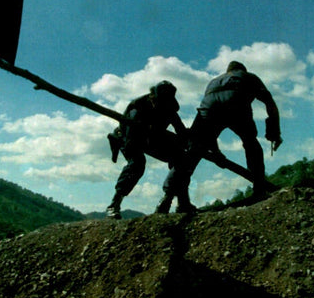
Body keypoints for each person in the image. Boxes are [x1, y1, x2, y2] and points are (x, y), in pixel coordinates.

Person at [158, 61, 282, 212]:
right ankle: (259, 189)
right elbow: (269, 102)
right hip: (235, 103)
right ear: (241, 70)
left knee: (193, 153)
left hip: (208, 110)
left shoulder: (213, 82)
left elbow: (211, 130)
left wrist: (216, 152)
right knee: (251, 144)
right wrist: (274, 133)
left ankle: (167, 198)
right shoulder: (248, 76)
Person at [105, 81, 189, 219]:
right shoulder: (137, 108)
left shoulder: (170, 107)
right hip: (128, 135)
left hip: (152, 137)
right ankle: (114, 205)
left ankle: (182, 203)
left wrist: (187, 141)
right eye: (159, 101)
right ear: (152, 97)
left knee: (181, 158)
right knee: (137, 164)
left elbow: (180, 130)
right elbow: (132, 140)